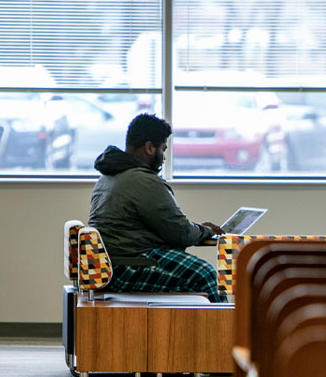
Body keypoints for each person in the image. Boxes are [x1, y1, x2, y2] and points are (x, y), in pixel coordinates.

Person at [88, 113, 227, 302]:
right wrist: (206, 231)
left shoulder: (108, 176)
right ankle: (223, 332)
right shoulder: (144, 181)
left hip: (111, 264)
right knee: (206, 275)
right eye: (163, 149)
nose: (163, 157)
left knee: (190, 268)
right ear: (149, 148)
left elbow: (164, 226)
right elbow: (180, 233)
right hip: (128, 266)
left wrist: (198, 230)